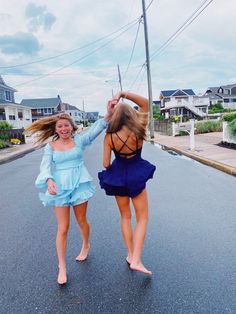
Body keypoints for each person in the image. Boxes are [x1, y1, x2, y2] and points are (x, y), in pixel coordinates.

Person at [25, 101, 115, 285]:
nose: (64, 128)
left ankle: (85, 244)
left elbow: (96, 130)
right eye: (60, 126)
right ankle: (62, 267)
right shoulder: (50, 146)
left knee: (81, 220)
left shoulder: (79, 140)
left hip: (79, 183)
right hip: (60, 187)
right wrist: (49, 180)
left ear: (71, 127)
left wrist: (108, 114)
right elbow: (45, 166)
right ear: (56, 129)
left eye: (66, 125)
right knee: (63, 228)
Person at [98, 91, 156, 275]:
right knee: (143, 218)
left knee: (125, 217)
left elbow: (106, 164)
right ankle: (137, 259)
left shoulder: (109, 136)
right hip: (136, 173)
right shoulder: (139, 129)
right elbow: (146, 103)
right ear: (131, 114)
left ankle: (130, 255)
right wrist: (123, 94)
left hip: (118, 175)